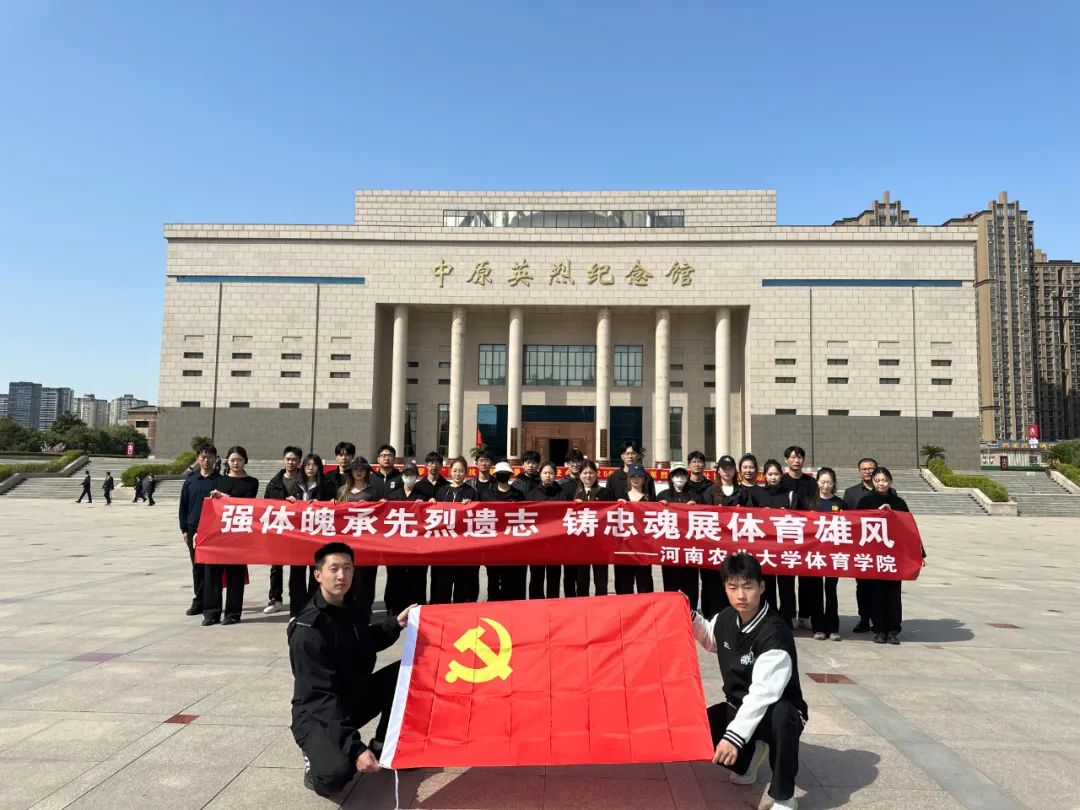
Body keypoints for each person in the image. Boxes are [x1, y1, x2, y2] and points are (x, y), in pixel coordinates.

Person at [288, 541, 415, 797]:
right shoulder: (308, 631)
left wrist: (396, 623)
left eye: (347, 568)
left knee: (405, 674)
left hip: (353, 697)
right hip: (317, 713)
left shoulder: (352, 606)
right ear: (318, 575)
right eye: (334, 569)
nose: (341, 576)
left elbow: (363, 640)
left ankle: (382, 744)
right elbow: (320, 698)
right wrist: (354, 748)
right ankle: (314, 760)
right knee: (336, 774)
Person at [692, 552, 806, 810]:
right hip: (739, 705)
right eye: (733, 587)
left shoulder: (775, 633)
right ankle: (749, 758)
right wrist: (690, 616)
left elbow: (763, 693)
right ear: (725, 588)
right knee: (703, 727)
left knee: (782, 718)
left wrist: (734, 737)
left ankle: (785, 796)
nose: (741, 595)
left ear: (761, 587)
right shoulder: (726, 617)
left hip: (776, 708)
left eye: (748, 586)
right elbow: (711, 638)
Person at [857, 466, 921, 645]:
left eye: (884, 480)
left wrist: (918, 553)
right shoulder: (865, 501)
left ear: (890, 481)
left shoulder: (899, 502)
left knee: (893, 594)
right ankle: (878, 629)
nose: (881, 484)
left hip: (894, 556)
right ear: (873, 482)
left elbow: (910, 528)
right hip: (874, 555)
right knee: (875, 593)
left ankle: (893, 630)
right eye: (877, 480)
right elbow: (857, 525)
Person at [204, 445, 258, 625]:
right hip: (218, 533)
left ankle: (233, 614)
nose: (236, 463)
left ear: (245, 461)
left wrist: (224, 497)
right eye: (233, 460)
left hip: (239, 534)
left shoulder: (252, 482)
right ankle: (211, 613)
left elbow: (246, 504)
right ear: (227, 461)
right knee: (213, 574)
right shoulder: (218, 480)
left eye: (239, 460)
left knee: (235, 575)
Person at [702, 455, 753, 618]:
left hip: (735, 545)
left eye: (730, 468)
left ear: (734, 471)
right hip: (714, 544)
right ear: (718, 471)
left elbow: (752, 516)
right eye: (723, 468)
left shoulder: (742, 492)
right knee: (713, 581)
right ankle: (713, 615)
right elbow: (701, 516)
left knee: (734, 578)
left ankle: (735, 613)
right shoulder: (710, 492)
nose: (726, 471)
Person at [752, 459, 798, 627]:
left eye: (776, 474)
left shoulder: (790, 494)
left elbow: (799, 519)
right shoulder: (758, 494)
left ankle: (787, 618)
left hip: (785, 547)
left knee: (787, 585)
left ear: (781, 475)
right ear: (764, 475)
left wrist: (788, 514)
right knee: (767, 584)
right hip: (765, 547)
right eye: (770, 474)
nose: (773, 477)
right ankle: (768, 617)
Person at [178, 444, 222, 617]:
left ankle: (209, 601)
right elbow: (183, 506)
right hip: (193, 528)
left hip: (213, 531)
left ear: (215, 459)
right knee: (197, 566)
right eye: (203, 456)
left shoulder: (220, 481)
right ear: (197, 459)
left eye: (210, 456)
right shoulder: (190, 480)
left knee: (211, 569)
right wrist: (184, 529)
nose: (206, 459)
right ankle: (199, 600)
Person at [801, 467, 845, 641]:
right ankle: (818, 627)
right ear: (817, 482)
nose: (826, 486)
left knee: (831, 590)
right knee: (816, 590)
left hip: (833, 554)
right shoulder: (808, 503)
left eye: (829, 482)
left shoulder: (840, 503)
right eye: (823, 482)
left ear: (834, 484)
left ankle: (833, 628)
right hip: (814, 553)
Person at [431, 457, 480, 604]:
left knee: (462, 586)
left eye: (461, 471)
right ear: (450, 471)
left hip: (463, 547)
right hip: (444, 547)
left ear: (466, 472)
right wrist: (431, 504)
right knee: (443, 586)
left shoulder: (471, 492)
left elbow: (477, 517)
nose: (458, 474)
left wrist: (471, 506)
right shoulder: (442, 491)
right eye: (455, 471)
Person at [384, 462, 430, 614]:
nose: (409, 477)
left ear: (417, 476)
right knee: (395, 577)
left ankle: (417, 609)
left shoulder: (423, 495)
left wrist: (426, 505)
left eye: (412, 474)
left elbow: (431, 516)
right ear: (402, 476)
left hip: (417, 545)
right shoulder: (393, 496)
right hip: (397, 545)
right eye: (406, 474)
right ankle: (394, 608)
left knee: (417, 577)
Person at [658, 462, 704, 610]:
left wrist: (696, 507)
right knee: (670, 583)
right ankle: (671, 612)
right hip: (670, 548)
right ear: (671, 477)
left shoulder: (695, 496)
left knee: (690, 584)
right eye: (676, 475)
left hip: (690, 548)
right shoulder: (663, 495)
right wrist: (659, 507)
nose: (680, 478)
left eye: (682, 475)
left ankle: (691, 612)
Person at [264, 446, 304, 615]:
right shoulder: (274, 482)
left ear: (299, 461)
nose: (291, 462)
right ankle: (275, 598)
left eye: (294, 459)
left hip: (299, 530)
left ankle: (297, 601)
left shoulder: (305, 482)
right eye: (288, 459)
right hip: (279, 529)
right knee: (276, 566)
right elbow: (266, 505)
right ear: (283, 460)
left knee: (297, 567)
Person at [336, 457, 379, 616]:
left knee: (366, 577)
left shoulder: (373, 491)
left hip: (368, 541)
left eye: (362, 469)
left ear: (367, 472)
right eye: (355, 469)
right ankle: (347, 608)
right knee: (347, 574)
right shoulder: (343, 491)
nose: (359, 472)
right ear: (351, 472)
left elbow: (380, 515)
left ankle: (365, 609)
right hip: (348, 540)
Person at [478, 461, 526, 600]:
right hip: (492, 545)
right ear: (496, 475)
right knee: (493, 577)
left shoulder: (517, 495)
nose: (503, 475)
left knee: (509, 578)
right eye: (500, 474)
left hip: (511, 545)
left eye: (505, 474)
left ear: (510, 475)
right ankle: (493, 603)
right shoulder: (487, 494)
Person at [608, 462, 655, 594]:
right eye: (633, 476)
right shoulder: (621, 499)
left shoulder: (650, 500)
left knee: (644, 585)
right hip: (624, 549)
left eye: (639, 476)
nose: (636, 479)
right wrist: (617, 506)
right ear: (628, 478)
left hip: (643, 550)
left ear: (643, 478)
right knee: (624, 585)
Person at [843, 457, 878, 634]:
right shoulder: (851, 493)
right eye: (864, 469)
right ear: (859, 472)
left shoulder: (888, 491)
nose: (868, 471)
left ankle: (878, 619)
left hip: (880, 547)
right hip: (860, 547)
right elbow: (845, 519)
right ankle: (864, 618)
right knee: (862, 585)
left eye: (871, 468)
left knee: (879, 586)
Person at [528, 461, 566, 599]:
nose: (548, 476)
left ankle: (552, 604)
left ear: (556, 475)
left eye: (551, 473)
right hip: (536, 542)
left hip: (555, 542)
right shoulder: (532, 494)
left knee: (554, 577)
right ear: (540, 474)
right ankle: (535, 604)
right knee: (536, 576)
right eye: (545, 473)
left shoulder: (562, 493)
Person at [569, 459, 607, 597]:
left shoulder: (605, 493)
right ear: (580, 475)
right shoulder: (573, 494)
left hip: (600, 544)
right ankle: (582, 606)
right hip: (580, 544)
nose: (588, 476)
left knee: (601, 581)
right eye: (585, 473)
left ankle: (601, 606)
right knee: (581, 581)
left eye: (591, 473)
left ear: (596, 474)